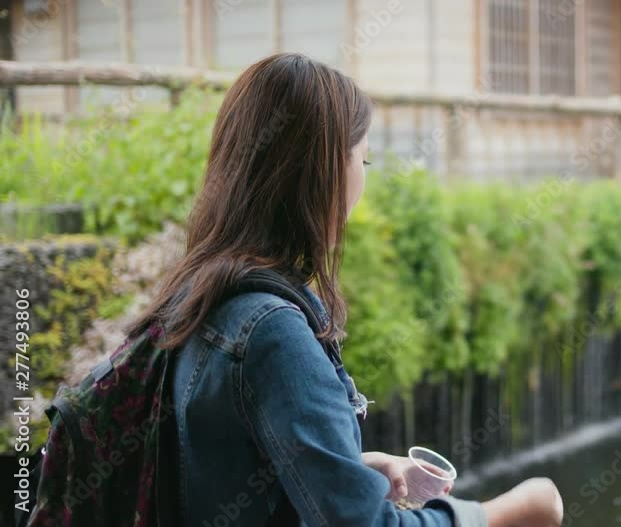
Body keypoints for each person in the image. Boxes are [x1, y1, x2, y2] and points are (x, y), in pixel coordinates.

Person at [125, 53, 563, 526]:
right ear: (322, 169)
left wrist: (356, 468)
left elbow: (226, 469)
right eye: (364, 157)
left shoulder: (201, 290)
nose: (363, 177)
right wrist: (506, 512)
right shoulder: (272, 333)